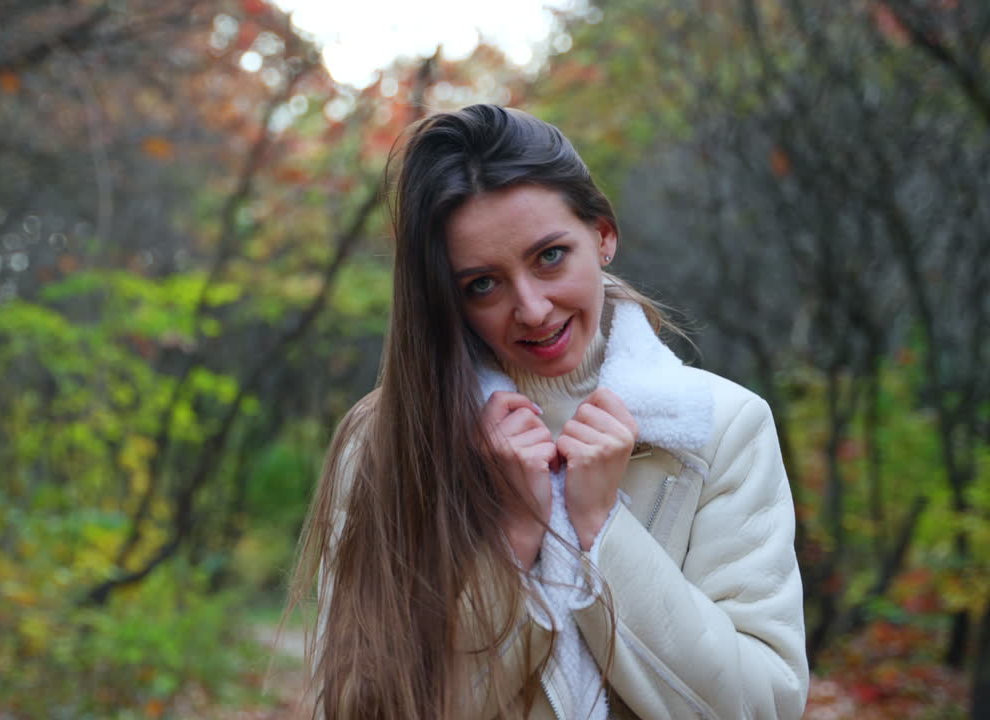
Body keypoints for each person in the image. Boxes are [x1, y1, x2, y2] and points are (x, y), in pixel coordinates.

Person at [289, 104, 808, 720]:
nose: (532, 309)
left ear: (603, 235)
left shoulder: (718, 427)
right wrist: (513, 536)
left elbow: (763, 703)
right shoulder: (386, 440)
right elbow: (360, 707)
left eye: (550, 256)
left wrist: (603, 530)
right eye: (483, 284)